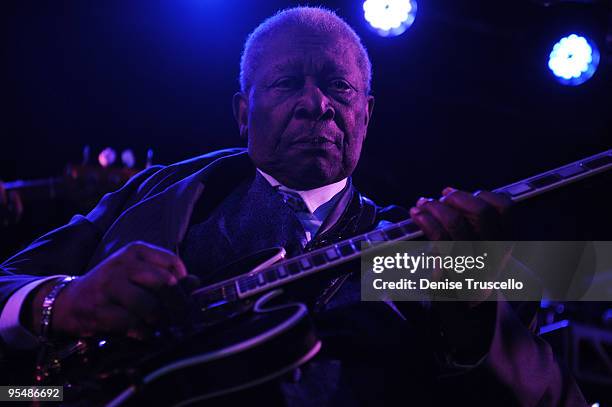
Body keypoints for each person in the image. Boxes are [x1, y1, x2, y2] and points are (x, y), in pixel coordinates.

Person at [0, 7, 586, 406]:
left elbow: (553, 391)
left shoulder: (415, 250)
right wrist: (59, 302)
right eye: (286, 84)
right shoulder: (166, 193)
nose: (317, 105)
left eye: (340, 87)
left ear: (367, 114)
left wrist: (472, 320)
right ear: (241, 113)